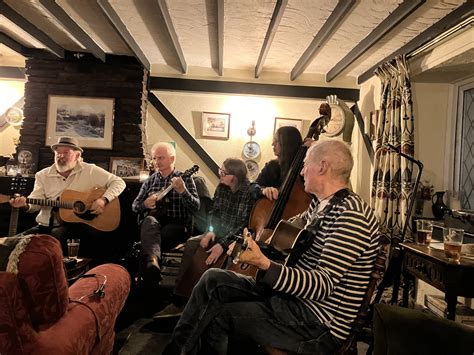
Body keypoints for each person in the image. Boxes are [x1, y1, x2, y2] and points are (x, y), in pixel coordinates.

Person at [162, 139, 380, 355]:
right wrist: (254, 244)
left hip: (317, 323)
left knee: (221, 315)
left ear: (322, 167)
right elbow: (283, 230)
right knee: (213, 279)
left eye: (305, 165)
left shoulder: (350, 216)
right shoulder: (320, 205)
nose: (301, 172)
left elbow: (321, 285)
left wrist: (264, 263)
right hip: (293, 299)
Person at [154, 158, 257, 318]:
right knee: (192, 244)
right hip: (219, 233)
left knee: (224, 259)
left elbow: (243, 225)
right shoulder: (222, 187)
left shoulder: (249, 192)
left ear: (234, 176)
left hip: (236, 239)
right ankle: (179, 298)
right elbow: (214, 212)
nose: (220, 174)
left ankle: (207, 305)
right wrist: (210, 231)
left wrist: (222, 245)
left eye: (223, 172)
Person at [9, 136, 126, 256]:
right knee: (10, 244)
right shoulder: (42, 175)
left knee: (57, 241)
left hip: (76, 227)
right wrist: (25, 205)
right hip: (45, 226)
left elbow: (119, 182)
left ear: (77, 156)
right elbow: (35, 203)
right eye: (58, 153)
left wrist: (103, 200)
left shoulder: (90, 170)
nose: (60, 156)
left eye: (65, 153)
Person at [132, 142, 199, 282]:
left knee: (151, 239)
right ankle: (153, 266)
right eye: (154, 158)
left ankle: (150, 267)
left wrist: (183, 191)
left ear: (172, 159)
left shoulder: (185, 178)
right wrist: (145, 204)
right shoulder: (150, 181)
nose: (157, 162)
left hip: (177, 225)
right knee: (149, 221)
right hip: (154, 224)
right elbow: (134, 206)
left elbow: (196, 207)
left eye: (161, 158)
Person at [256, 126, 302, 200]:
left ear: (287, 143)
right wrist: (263, 190)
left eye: (276, 141)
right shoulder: (271, 166)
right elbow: (252, 188)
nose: (272, 144)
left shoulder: (303, 168)